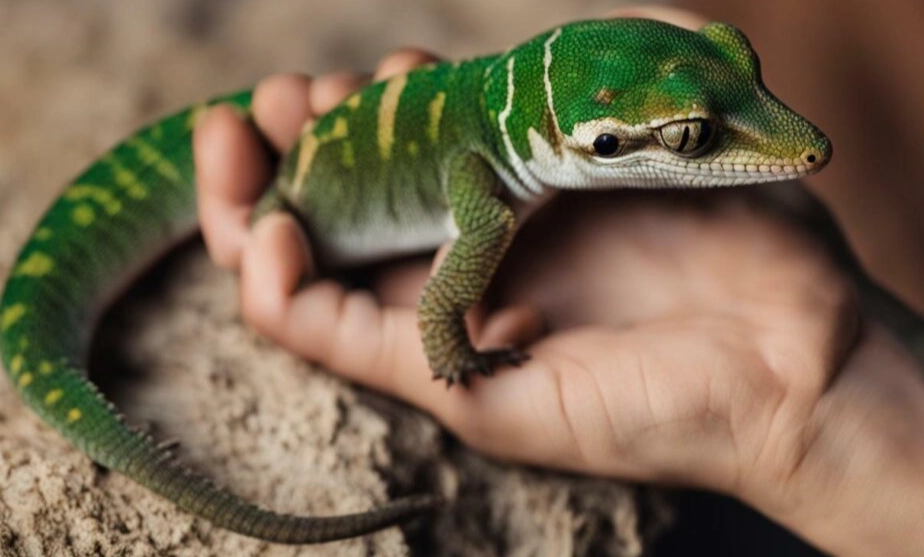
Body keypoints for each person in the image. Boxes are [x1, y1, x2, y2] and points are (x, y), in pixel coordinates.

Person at [191, 6, 924, 556]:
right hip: (303, 203)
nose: (802, 146)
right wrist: (455, 360)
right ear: (588, 146)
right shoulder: (487, 216)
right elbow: (436, 317)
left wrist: (808, 405)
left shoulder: (505, 133)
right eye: (690, 139)